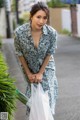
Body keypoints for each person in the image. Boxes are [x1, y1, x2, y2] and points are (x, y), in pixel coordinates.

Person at [14, 1, 58, 119]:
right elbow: (19, 53)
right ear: (31, 16)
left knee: (46, 95)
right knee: (34, 98)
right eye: (38, 17)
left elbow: (50, 53)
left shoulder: (51, 33)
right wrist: (29, 73)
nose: (41, 21)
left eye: (44, 18)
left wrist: (40, 72)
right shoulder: (19, 33)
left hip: (47, 67)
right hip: (29, 67)